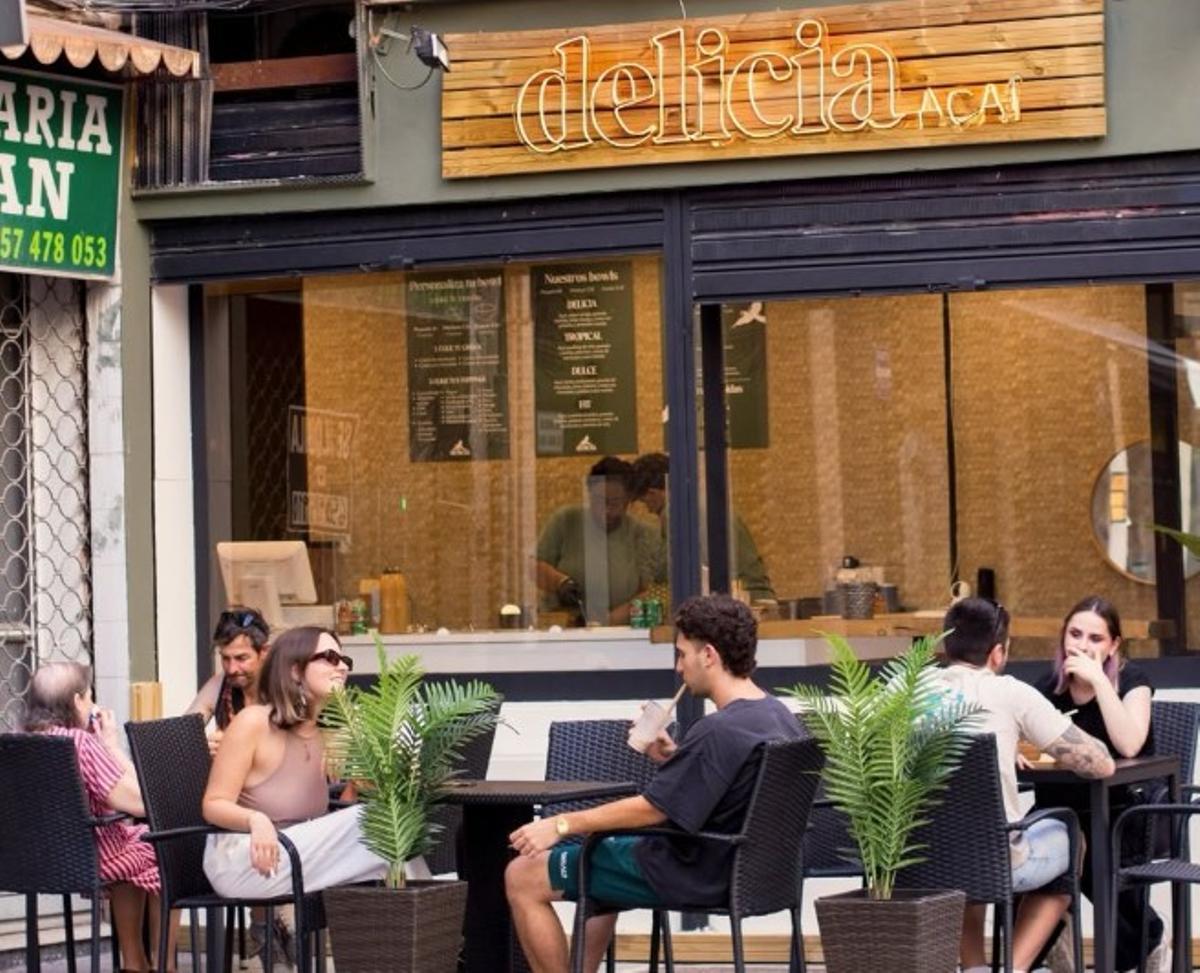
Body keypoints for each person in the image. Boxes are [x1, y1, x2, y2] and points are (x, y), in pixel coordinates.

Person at [505, 594, 803, 973]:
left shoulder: (718, 730)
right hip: (754, 872)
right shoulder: (777, 716)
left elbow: (652, 809)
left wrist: (559, 825)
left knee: (523, 875)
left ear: (708, 655)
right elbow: (724, 786)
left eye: (682, 655)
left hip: (690, 872)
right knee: (599, 858)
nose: (679, 668)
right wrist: (675, 756)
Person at [932, 598, 1115, 973]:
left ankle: (975, 968)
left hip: (919, 859)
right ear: (998, 653)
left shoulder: (904, 690)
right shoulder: (1010, 693)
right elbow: (1100, 764)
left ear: (943, 646)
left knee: (964, 844)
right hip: (998, 858)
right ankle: (1013, 968)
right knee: (1070, 833)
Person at [201, 627, 398, 957]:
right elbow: (213, 804)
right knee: (384, 825)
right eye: (329, 658)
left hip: (297, 851)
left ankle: (409, 954)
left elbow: (342, 807)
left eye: (344, 660)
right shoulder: (254, 722)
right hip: (244, 860)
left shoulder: (330, 731)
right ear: (294, 669)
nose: (342, 667)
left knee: (394, 838)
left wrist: (366, 772)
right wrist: (256, 820)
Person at [1033, 596, 1166, 973]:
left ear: (1113, 645)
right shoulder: (1048, 688)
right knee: (1027, 852)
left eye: (1095, 638)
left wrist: (1100, 683)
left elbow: (1129, 744)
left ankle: (1149, 939)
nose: (1083, 645)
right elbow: (1025, 742)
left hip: (1123, 810)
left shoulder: (1134, 681)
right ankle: (1054, 941)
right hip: (1059, 809)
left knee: (1087, 858)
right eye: (1075, 634)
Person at [24, 662, 176, 973]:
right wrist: (111, 746)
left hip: (35, 860)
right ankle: (164, 964)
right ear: (77, 701)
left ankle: (134, 962)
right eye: (89, 697)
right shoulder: (79, 744)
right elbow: (140, 801)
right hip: (90, 857)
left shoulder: (17, 741)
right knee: (168, 850)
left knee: (132, 846)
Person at [535, 456, 666, 625]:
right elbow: (536, 566)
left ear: (628, 501)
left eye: (615, 503)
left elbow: (651, 590)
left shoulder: (643, 534)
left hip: (619, 628)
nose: (606, 510)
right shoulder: (566, 520)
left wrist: (609, 620)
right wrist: (560, 583)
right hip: (565, 625)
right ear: (589, 495)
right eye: (599, 501)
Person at [630, 452, 776, 602]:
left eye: (644, 501)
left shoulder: (677, 512)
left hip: (736, 600)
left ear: (652, 493)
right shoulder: (706, 502)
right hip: (756, 595)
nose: (648, 510)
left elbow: (673, 571)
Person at [186, 607, 272, 753]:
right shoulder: (220, 685)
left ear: (264, 652)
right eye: (225, 658)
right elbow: (182, 735)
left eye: (241, 658)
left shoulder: (283, 687)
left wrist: (235, 746)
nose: (232, 669)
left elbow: (299, 750)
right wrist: (200, 749)